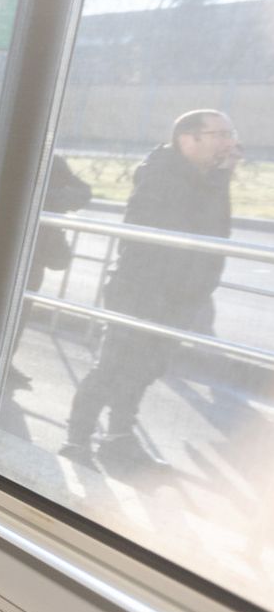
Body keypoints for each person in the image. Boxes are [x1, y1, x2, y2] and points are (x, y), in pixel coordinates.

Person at [62, 111, 236, 467]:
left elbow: (218, 232)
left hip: (180, 295)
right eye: (219, 134)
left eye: (229, 134)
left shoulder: (206, 178)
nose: (228, 142)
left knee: (145, 370)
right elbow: (182, 227)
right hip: (141, 291)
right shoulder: (162, 173)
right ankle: (77, 440)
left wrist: (222, 175)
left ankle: (118, 437)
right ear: (188, 139)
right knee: (113, 366)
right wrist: (219, 178)